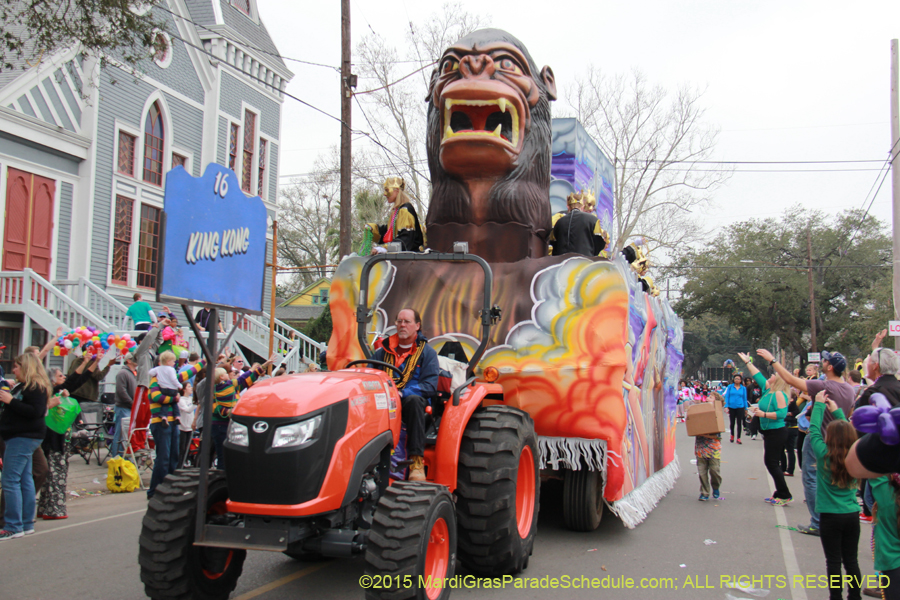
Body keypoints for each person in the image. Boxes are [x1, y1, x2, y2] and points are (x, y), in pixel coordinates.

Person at [760, 348, 855, 537]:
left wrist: (773, 361)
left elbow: (790, 380)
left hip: (819, 436)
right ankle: (828, 519)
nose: (823, 363)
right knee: (831, 479)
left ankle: (818, 522)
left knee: (811, 477)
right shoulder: (849, 389)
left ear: (830, 367)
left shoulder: (824, 386)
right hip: (839, 438)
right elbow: (848, 414)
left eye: (826, 361)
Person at [373, 308, 439, 481]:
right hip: (385, 399)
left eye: (407, 321)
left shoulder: (427, 353)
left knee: (414, 400)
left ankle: (416, 461)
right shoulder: (382, 352)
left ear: (417, 326)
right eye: (399, 321)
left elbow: (430, 385)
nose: (402, 325)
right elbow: (370, 375)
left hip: (411, 404)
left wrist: (401, 393)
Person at [808, 390, 861, 600]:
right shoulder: (854, 454)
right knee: (852, 561)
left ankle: (835, 597)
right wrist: (837, 411)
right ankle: (855, 596)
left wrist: (819, 405)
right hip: (851, 514)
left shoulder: (823, 454)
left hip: (830, 516)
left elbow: (813, 431)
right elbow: (849, 433)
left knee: (833, 561)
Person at [38, 355, 98, 520]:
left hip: (59, 440)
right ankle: (54, 510)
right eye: (59, 376)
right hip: (52, 441)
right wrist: (86, 363)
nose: (63, 377)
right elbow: (74, 380)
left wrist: (93, 362)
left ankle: (44, 507)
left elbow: (79, 380)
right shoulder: (49, 394)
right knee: (55, 475)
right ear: (52, 380)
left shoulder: (58, 393)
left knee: (52, 475)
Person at [0, 353, 50, 540]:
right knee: (25, 479)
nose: (13, 370)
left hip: (22, 436)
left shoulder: (35, 387)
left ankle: (13, 525)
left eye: (16, 367)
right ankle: (26, 522)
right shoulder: (24, 386)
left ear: (26, 367)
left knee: (10, 480)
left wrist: (10, 401)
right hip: (21, 436)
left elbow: (35, 412)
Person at [738, 352, 792, 506]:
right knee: (772, 463)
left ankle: (784, 494)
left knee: (771, 463)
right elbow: (757, 375)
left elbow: (782, 414)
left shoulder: (780, 394)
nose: (770, 376)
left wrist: (764, 414)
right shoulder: (768, 390)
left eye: (774, 375)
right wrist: (748, 362)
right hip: (768, 432)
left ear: (779, 379)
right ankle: (779, 492)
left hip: (777, 431)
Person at [147, 357, 205, 499]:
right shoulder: (155, 379)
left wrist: (203, 363)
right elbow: (155, 396)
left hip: (173, 422)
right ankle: (155, 490)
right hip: (160, 421)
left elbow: (186, 374)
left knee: (174, 456)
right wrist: (174, 399)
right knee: (163, 457)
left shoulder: (171, 377)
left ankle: (170, 486)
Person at [210, 354, 276, 469]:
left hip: (223, 424)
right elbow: (243, 379)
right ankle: (221, 477)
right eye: (226, 373)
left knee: (224, 453)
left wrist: (262, 367)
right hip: (221, 424)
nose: (230, 374)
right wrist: (229, 412)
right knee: (223, 454)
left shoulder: (216, 389)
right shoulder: (229, 385)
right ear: (221, 377)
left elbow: (246, 379)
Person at [367, 177, 426, 253]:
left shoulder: (405, 210)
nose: (385, 194)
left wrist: (385, 248)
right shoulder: (397, 211)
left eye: (387, 190)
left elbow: (405, 238)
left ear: (397, 190)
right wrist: (374, 230)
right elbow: (390, 232)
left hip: (410, 258)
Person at [549, 190, 608, 257]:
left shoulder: (560, 221)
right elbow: (600, 242)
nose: (591, 209)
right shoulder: (593, 220)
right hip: (584, 262)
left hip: (563, 262)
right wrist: (590, 253)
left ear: (568, 206)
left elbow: (553, 242)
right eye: (589, 204)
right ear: (582, 205)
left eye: (593, 206)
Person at [695, 397, 723, 502]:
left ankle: (715, 486)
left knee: (714, 471)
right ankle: (704, 492)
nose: (707, 399)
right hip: (700, 447)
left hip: (713, 448)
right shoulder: (699, 413)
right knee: (702, 471)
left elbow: (718, 433)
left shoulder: (717, 415)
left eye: (711, 397)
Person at [110, 352, 137, 458]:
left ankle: (125, 457)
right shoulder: (122, 373)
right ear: (128, 360)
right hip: (123, 408)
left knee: (128, 434)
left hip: (131, 408)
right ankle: (116, 458)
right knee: (120, 433)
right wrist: (132, 403)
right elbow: (121, 392)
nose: (137, 360)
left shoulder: (134, 373)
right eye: (134, 359)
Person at [149, 351, 182, 428]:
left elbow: (150, 373)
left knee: (165, 403)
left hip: (163, 389)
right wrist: (179, 385)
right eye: (173, 361)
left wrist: (156, 375)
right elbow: (174, 379)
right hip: (172, 389)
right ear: (168, 361)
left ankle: (164, 416)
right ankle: (177, 416)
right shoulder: (171, 369)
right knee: (174, 402)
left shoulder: (158, 368)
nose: (174, 363)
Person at [723, 374, 748, 444]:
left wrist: (746, 408)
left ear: (741, 380)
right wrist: (726, 406)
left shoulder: (743, 388)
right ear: (733, 380)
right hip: (732, 406)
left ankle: (738, 438)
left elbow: (745, 399)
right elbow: (727, 396)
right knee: (732, 422)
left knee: (739, 422)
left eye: (738, 379)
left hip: (740, 406)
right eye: (735, 378)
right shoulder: (730, 387)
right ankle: (732, 435)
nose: (737, 380)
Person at [177, 383, 195, 466]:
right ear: (184, 389)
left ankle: (185, 462)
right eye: (188, 386)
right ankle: (179, 465)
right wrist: (196, 404)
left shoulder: (191, 399)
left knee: (187, 448)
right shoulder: (181, 400)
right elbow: (187, 410)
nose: (191, 388)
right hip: (182, 427)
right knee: (182, 448)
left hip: (190, 427)